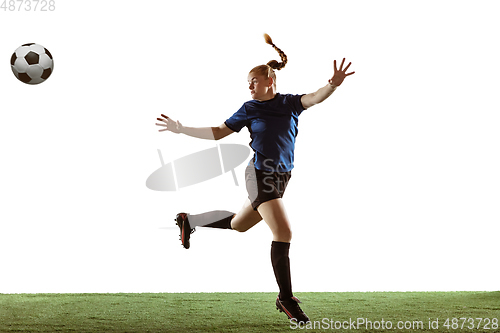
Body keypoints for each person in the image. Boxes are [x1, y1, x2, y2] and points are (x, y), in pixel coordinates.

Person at [155, 34, 354, 323]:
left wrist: (332, 84)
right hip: (260, 174)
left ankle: (190, 220)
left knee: (239, 225)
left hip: (283, 176)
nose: (249, 86)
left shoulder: (289, 103)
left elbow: (314, 97)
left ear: (270, 80)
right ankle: (285, 298)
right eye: (247, 82)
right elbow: (218, 132)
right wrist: (181, 128)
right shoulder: (250, 109)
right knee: (283, 232)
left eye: (254, 81)